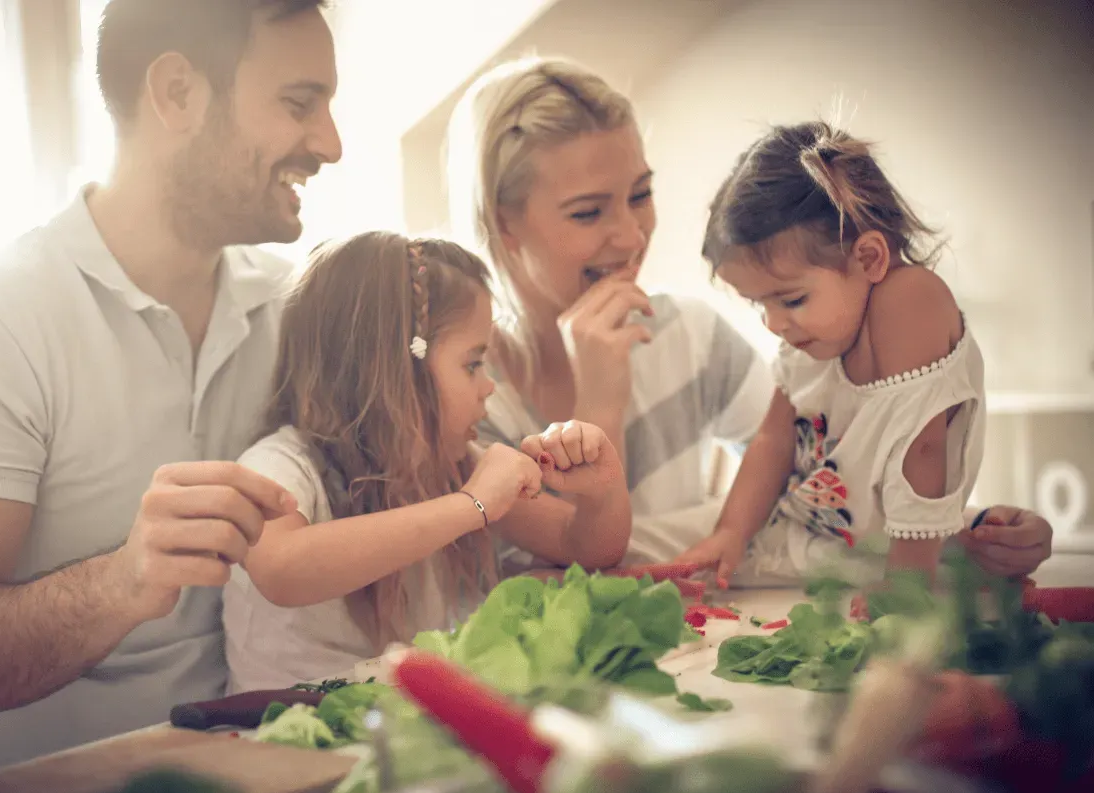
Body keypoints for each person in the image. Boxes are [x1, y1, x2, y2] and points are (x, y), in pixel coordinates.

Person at [0, 0, 341, 777]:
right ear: (178, 94)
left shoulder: (297, 308)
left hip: (276, 777)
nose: (330, 142)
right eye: (300, 103)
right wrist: (126, 579)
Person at [445, 55, 1053, 581]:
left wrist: (974, 528)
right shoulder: (463, 389)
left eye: (640, 194)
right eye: (586, 212)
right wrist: (600, 401)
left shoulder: (689, 336)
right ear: (502, 221)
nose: (632, 237)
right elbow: (577, 568)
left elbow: (830, 478)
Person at [223, 231, 631, 692]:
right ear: (395, 370)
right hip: (280, 735)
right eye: (472, 364)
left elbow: (588, 548)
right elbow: (282, 569)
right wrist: (472, 504)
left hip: (394, 724)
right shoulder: (281, 464)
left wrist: (601, 490)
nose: (488, 386)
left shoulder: (449, 464)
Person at [677, 121, 982, 592]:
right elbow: (771, 443)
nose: (774, 324)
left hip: (897, 555)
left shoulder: (909, 298)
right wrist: (730, 531)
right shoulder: (810, 339)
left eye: (791, 300)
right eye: (760, 305)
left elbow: (922, 451)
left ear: (869, 259)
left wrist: (908, 589)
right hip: (814, 543)